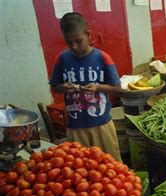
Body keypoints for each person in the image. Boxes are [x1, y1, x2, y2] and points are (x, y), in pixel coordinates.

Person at [49, 12, 122, 161]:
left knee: (110, 166)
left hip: (101, 124)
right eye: (69, 42)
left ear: (88, 35)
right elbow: (54, 87)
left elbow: (118, 88)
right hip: (75, 126)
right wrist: (63, 87)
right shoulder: (62, 59)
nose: (74, 47)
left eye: (78, 41)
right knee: (81, 169)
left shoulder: (102, 57)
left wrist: (98, 88)